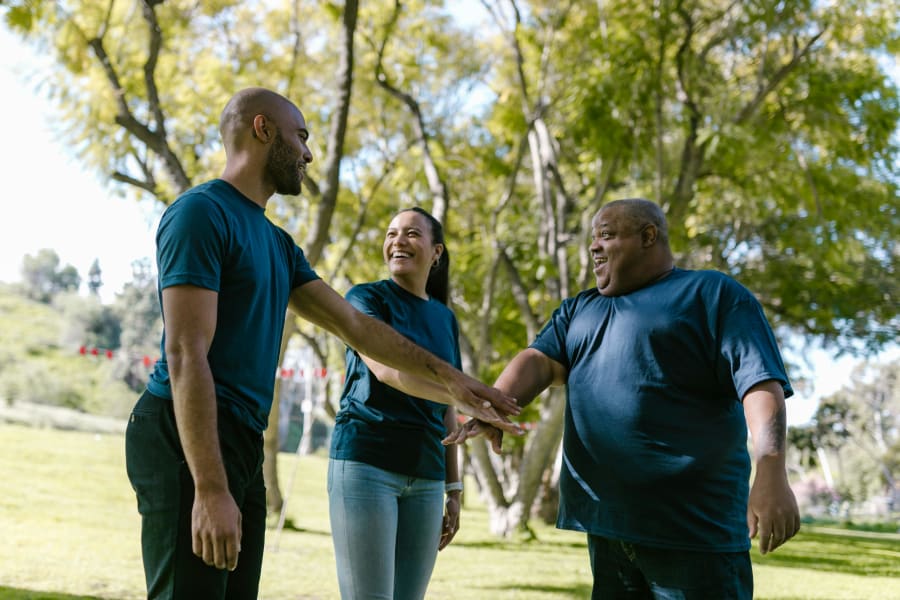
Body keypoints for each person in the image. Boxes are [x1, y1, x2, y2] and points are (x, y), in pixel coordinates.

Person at [124, 87, 522, 600]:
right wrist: (210, 487)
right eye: (302, 136)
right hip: (186, 435)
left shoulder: (277, 243)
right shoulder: (202, 213)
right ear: (263, 129)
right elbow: (185, 354)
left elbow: (359, 329)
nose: (309, 154)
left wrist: (459, 383)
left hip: (241, 437)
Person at [445, 198, 800, 599]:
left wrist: (771, 470)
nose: (594, 247)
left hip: (693, 531)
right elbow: (539, 361)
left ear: (649, 236)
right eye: (593, 238)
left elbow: (759, 384)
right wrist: (493, 406)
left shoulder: (711, 294)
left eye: (607, 235)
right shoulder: (580, 309)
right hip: (608, 528)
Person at [328, 206, 466, 599]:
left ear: (436, 252)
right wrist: (471, 396)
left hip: (426, 475)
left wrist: (453, 489)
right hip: (366, 464)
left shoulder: (445, 319)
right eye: (391, 233)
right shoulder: (365, 298)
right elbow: (389, 371)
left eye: (410, 233)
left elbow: (447, 410)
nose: (397, 241)